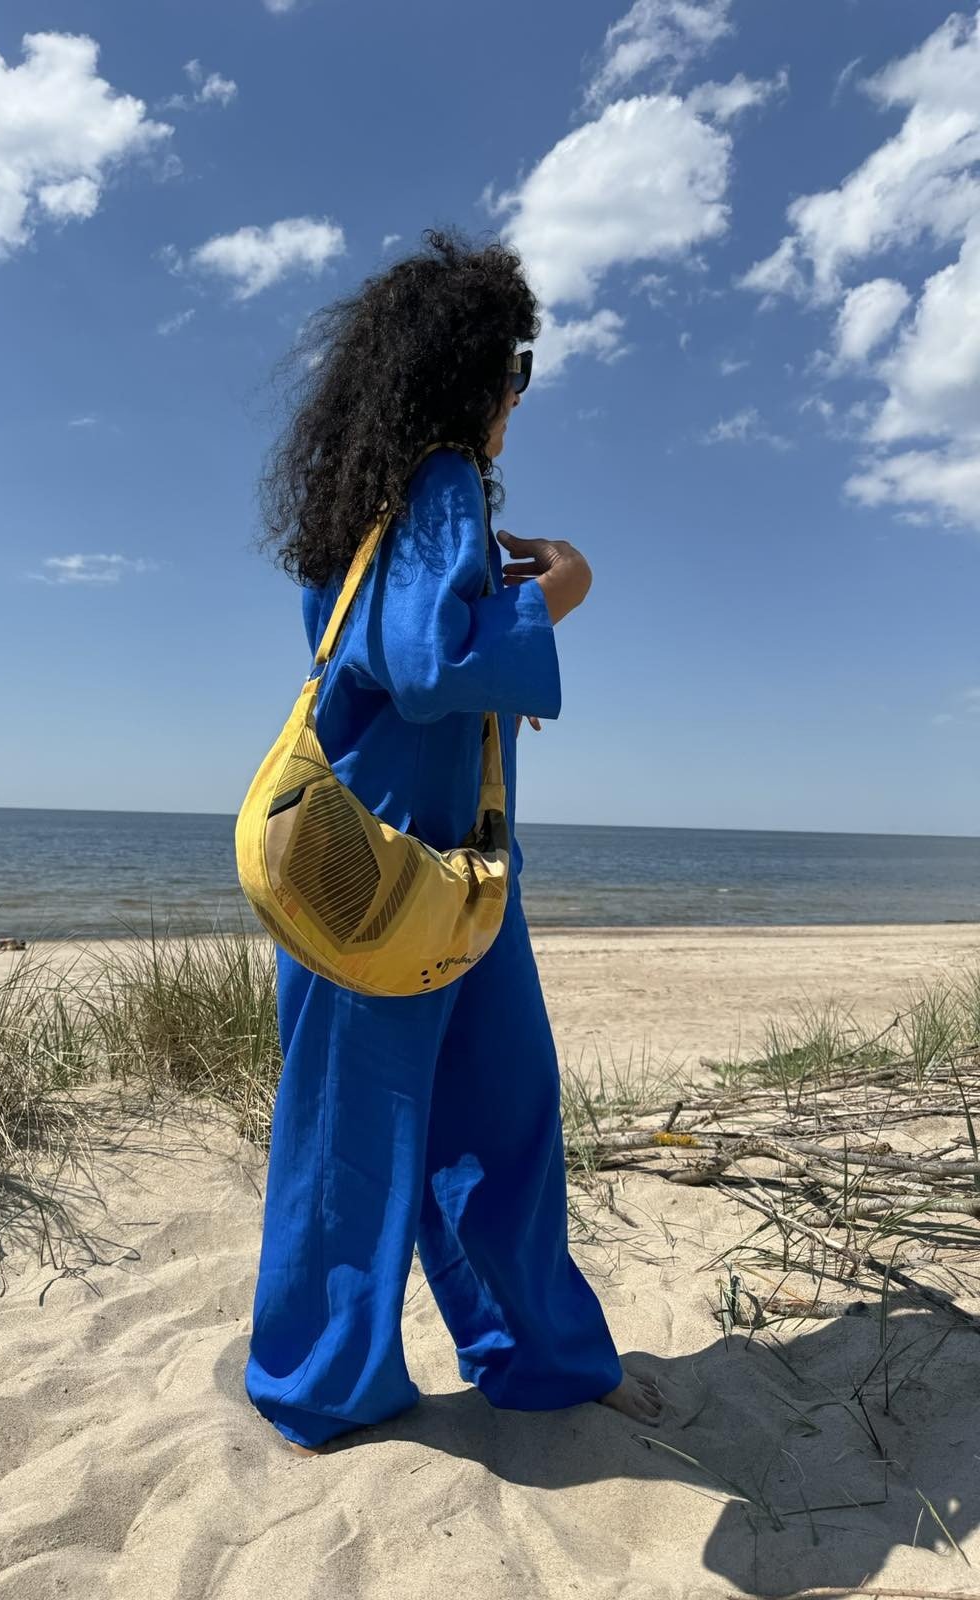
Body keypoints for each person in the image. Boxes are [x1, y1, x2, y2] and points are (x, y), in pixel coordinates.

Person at [246, 226, 663, 1454]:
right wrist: (561, 588)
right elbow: (430, 666)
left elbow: (407, 657)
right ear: (472, 375)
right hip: (400, 864)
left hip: (420, 864)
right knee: (450, 1129)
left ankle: (496, 1363)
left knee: (414, 1125)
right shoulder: (435, 481)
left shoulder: (376, 497)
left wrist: (499, 612)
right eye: (513, 372)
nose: (517, 397)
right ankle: (397, 1376)